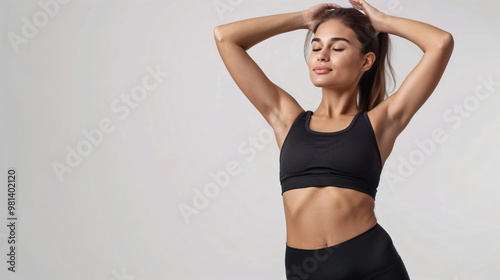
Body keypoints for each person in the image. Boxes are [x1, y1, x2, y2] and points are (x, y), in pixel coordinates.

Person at [214, 0, 453, 279]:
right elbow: (226, 37)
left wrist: (381, 22)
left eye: (337, 47)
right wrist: (302, 18)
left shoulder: (379, 123)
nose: (322, 55)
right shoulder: (287, 119)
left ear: (366, 61)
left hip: (372, 265)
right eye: (316, 47)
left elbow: (440, 42)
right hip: (305, 270)